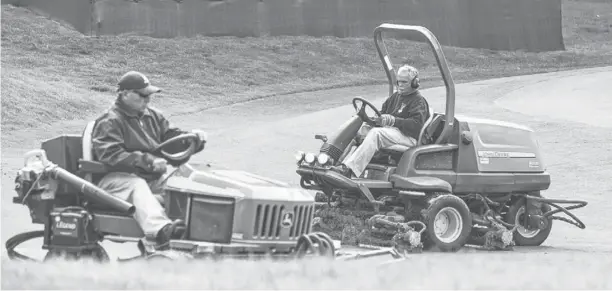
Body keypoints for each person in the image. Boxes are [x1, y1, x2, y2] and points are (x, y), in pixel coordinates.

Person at [90, 71, 208, 246]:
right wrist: (148, 161)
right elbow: (110, 155)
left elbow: (171, 139)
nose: (147, 99)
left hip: (147, 177)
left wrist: (193, 139)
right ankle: (161, 230)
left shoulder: (153, 116)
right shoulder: (110, 121)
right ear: (125, 94)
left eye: (149, 95)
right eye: (142, 95)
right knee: (136, 185)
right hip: (111, 181)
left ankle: (199, 226)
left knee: (180, 182)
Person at [330, 65, 430, 178]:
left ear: (414, 83)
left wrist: (393, 121)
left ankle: (349, 169)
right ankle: (333, 164)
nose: (400, 85)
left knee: (377, 134)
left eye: (404, 82)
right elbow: (381, 114)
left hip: (409, 137)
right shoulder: (395, 97)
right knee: (359, 131)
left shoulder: (419, 101)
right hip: (392, 132)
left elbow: (416, 126)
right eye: (398, 82)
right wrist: (369, 119)